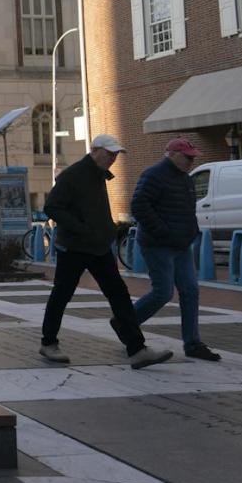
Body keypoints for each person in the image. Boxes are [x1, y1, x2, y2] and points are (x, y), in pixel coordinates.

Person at [40, 134, 172, 369]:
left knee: (119, 294)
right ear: (95, 150)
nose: (113, 158)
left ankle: (137, 349)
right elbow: (51, 206)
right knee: (62, 293)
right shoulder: (73, 175)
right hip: (75, 247)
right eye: (109, 153)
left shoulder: (98, 174)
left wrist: (108, 230)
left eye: (115, 154)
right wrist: (81, 228)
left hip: (99, 247)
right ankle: (48, 342)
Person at [130, 138, 221, 361]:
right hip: (158, 244)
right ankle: (126, 324)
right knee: (162, 293)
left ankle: (192, 343)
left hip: (181, 245)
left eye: (193, 157)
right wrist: (164, 232)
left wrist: (192, 232)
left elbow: (188, 210)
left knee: (190, 291)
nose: (191, 161)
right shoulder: (153, 175)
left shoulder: (186, 179)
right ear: (171, 154)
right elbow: (138, 206)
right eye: (187, 157)